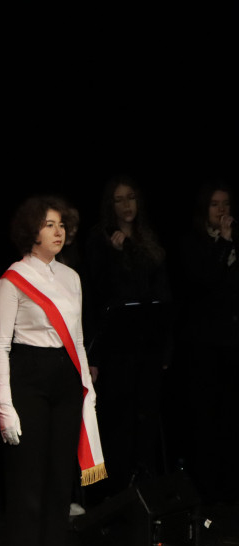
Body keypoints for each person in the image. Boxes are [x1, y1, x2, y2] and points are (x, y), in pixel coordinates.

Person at [0, 196, 103, 546]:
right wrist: (5, 406)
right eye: (50, 225)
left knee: (60, 481)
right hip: (29, 378)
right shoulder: (11, 280)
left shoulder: (72, 278)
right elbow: (0, 346)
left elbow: (76, 337)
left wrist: (87, 389)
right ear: (31, 232)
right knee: (29, 482)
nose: (59, 232)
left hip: (66, 378)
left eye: (62, 225)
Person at [83, 177, 171, 496]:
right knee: (118, 418)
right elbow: (98, 291)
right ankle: (118, 489)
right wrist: (115, 255)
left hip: (148, 342)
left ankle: (145, 482)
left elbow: (162, 294)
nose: (126, 205)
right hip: (118, 346)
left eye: (131, 198)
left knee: (147, 414)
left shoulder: (148, 238)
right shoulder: (100, 239)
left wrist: (165, 346)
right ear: (111, 205)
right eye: (119, 200)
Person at [179, 182, 238, 504]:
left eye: (226, 204)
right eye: (216, 205)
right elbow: (205, 282)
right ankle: (206, 487)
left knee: (230, 416)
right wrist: (224, 244)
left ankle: (229, 485)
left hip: (230, 343)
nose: (222, 211)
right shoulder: (194, 243)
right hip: (203, 345)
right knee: (206, 418)